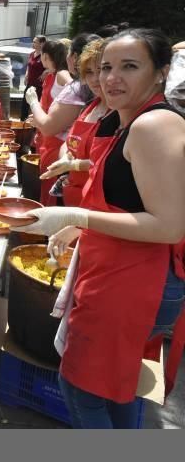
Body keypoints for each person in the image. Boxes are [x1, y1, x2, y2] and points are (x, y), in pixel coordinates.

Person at [15, 28, 185, 429]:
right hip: (119, 271)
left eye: (129, 67)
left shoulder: (152, 125)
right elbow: (129, 180)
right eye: (106, 67)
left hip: (135, 282)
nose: (111, 78)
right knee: (115, 387)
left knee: (81, 388)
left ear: (160, 73)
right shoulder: (133, 119)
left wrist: (77, 218)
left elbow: (168, 224)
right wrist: (77, 170)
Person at [40, 38, 108, 207]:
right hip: (73, 194)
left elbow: (107, 164)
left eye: (101, 70)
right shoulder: (91, 106)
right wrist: (66, 158)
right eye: (89, 72)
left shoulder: (122, 115)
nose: (94, 79)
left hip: (94, 204)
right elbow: (71, 140)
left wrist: (74, 165)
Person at [25, 39, 78, 206]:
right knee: (45, 183)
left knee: (51, 188)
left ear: (46, 56)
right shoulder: (51, 75)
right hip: (47, 135)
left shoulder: (62, 75)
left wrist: (35, 104)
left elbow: (75, 94)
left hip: (57, 139)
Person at [22, 35, 46, 119]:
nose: (33, 44)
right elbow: (29, 65)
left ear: (42, 44)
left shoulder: (44, 55)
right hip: (30, 82)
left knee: (37, 104)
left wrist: (46, 71)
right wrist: (26, 75)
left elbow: (51, 66)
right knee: (24, 103)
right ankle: (22, 122)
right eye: (33, 41)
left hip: (39, 85)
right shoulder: (32, 54)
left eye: (35, 42)